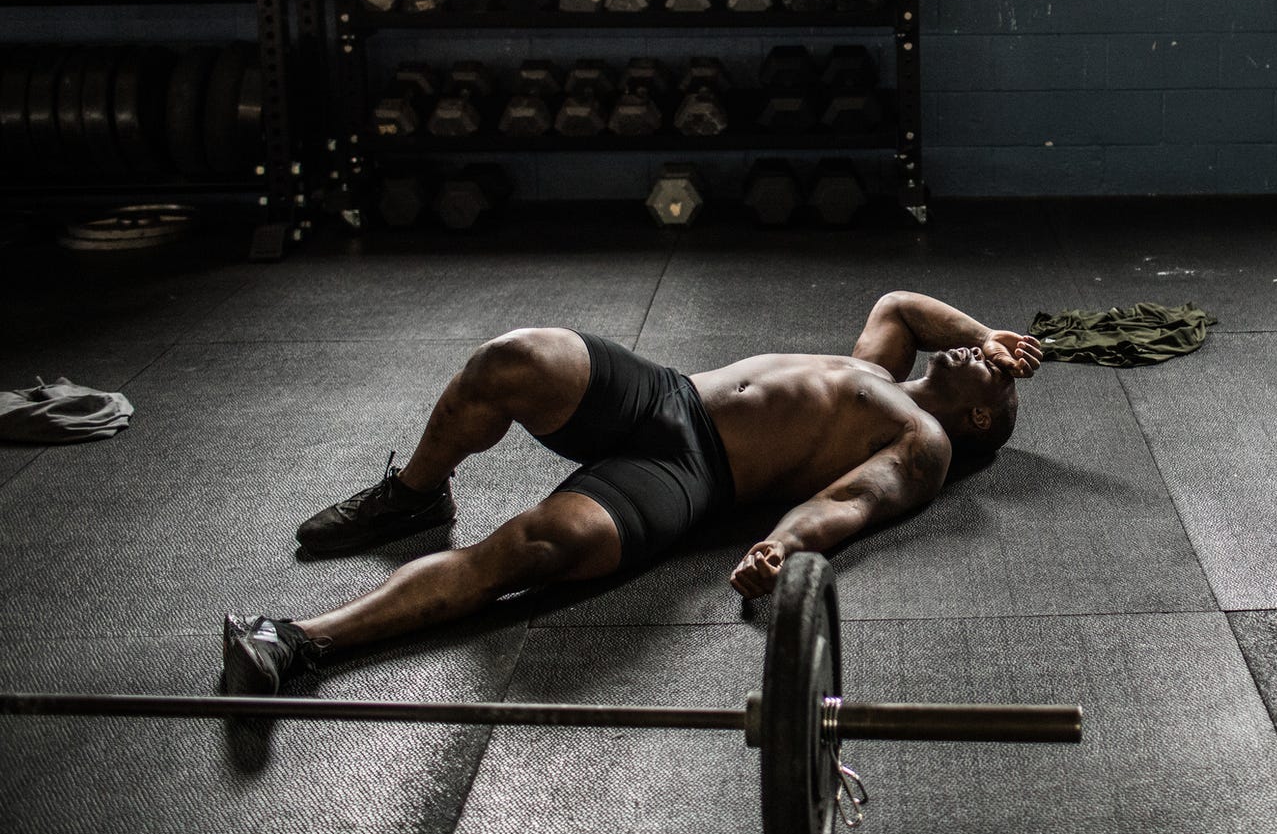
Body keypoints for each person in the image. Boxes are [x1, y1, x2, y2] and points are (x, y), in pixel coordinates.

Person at [221, 291, 1041, 693]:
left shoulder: (925, 439)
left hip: (689, 476)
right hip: (663, 394)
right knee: (507, 360)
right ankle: (412, 494)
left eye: (997, 377)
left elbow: (854, 502)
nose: (993, 358)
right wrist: (982, 334)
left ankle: (296, 639)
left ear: (977, 417)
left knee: (534, 546)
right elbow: (900, 303)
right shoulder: (882, 363)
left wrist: (784, 547)